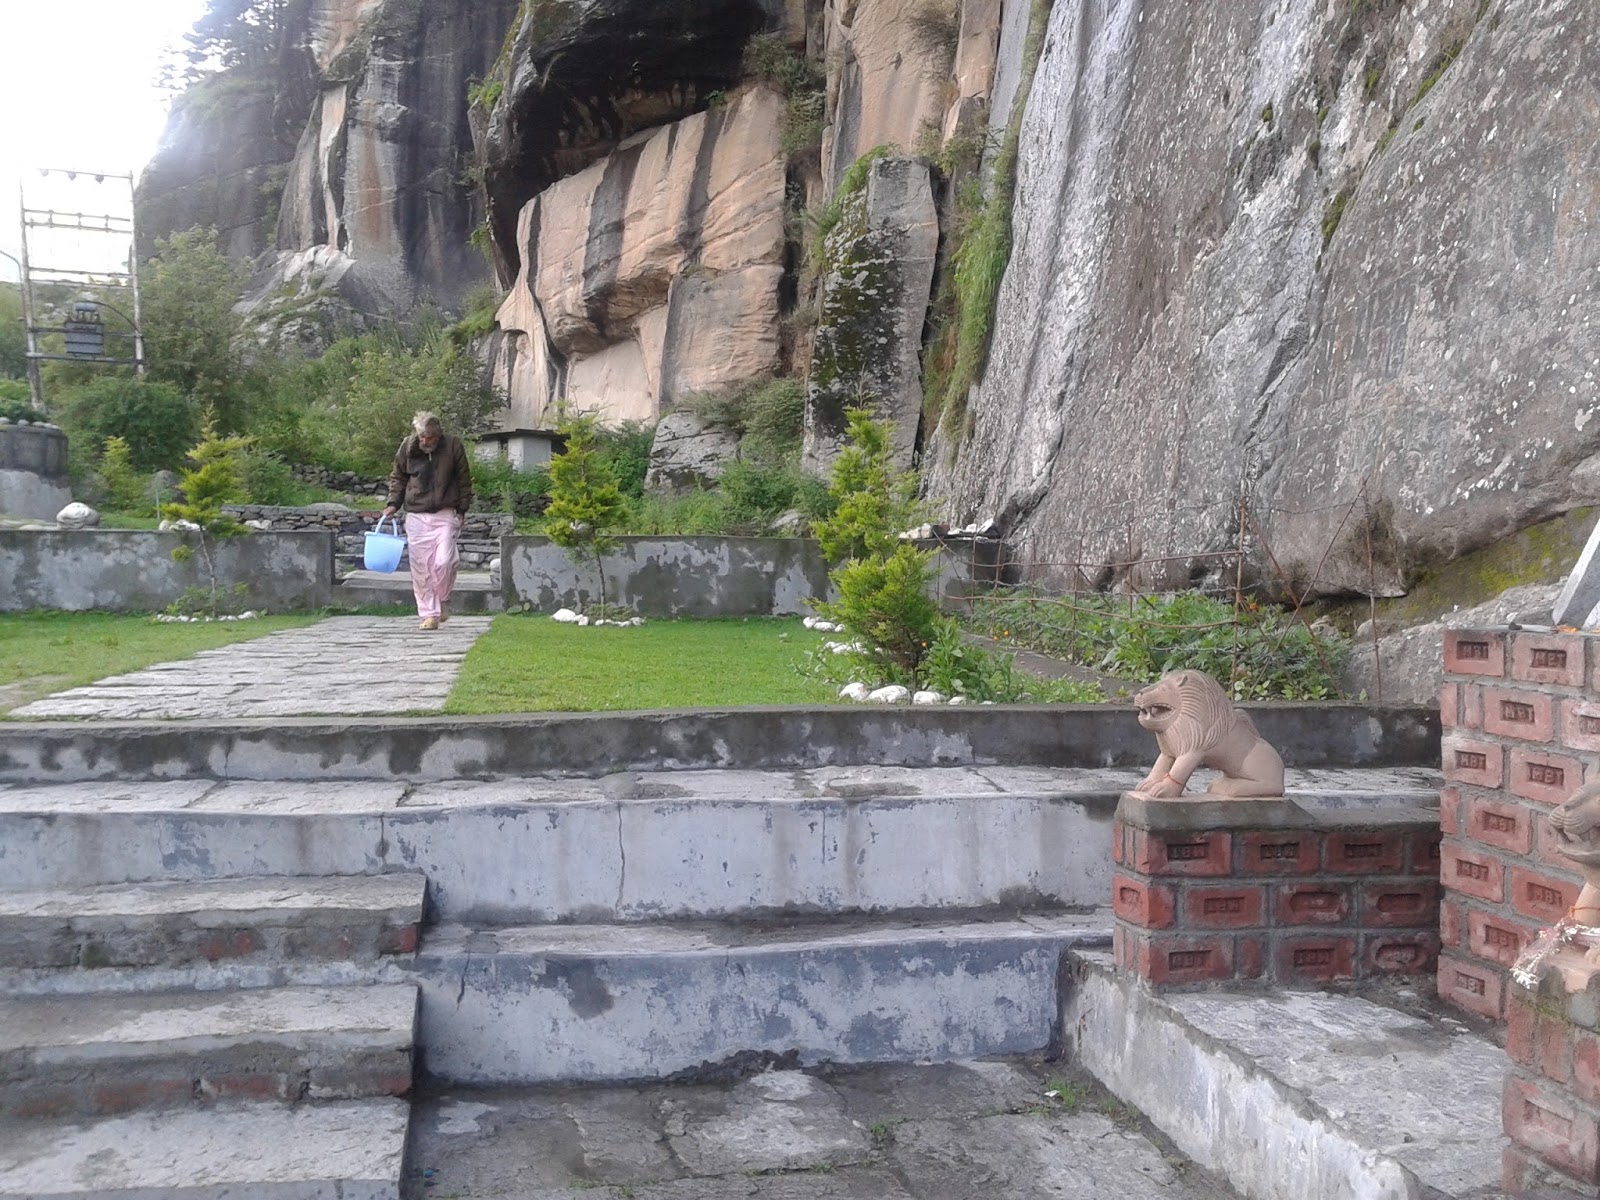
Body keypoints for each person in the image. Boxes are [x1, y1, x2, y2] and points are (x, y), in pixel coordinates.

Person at [382, 411, 474, 631]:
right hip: (416, 514)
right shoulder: (407, 446)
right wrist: (393, 503)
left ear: (438, 435)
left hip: (445, 512)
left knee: (445, 562)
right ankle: (428, 615)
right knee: (421, 568)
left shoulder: (453, 446)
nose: (425, 441)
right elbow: (398, 477)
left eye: (429, 437)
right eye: (422, 436)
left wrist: (462, 510)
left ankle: (443, 599)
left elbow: (464, 479)